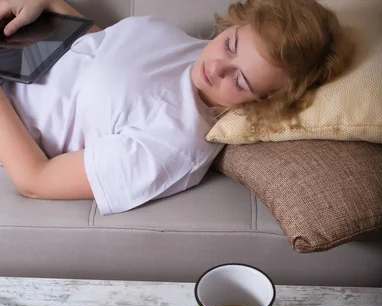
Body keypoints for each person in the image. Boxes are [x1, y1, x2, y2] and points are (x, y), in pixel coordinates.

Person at [0, 0, 352, 215]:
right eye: (230, 44)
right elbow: (106, 48)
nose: (216, 68)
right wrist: (50, 5)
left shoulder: (175, 145)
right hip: (17, 48)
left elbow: (37, 180)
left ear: (265, 101)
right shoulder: (189, 49)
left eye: (240, 80)